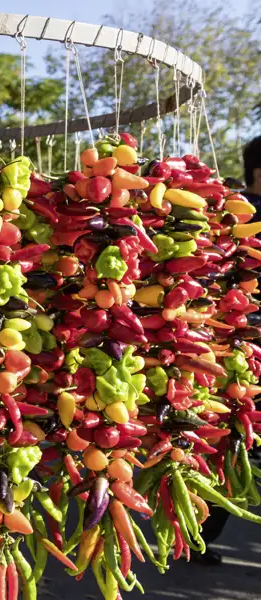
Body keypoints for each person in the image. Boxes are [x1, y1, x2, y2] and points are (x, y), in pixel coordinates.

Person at [194, 137, 261, 566]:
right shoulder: (242, 211)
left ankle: (199, 531)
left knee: (231, 440)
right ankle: (198, 533)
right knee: (227, 439)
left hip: (243, 344)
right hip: (241, 345)